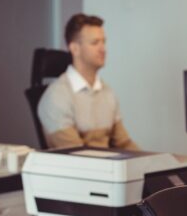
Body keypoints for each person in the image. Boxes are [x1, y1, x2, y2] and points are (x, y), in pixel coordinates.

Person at [36, 13, 140, 151]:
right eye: (95, 43)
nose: (103, 49)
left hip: (108, 168)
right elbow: (77, 156)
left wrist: (152, 165)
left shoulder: (107, 92)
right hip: (82, 170)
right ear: (75, 49)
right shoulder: (56, 96)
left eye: (104, 42)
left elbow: (125, 144)